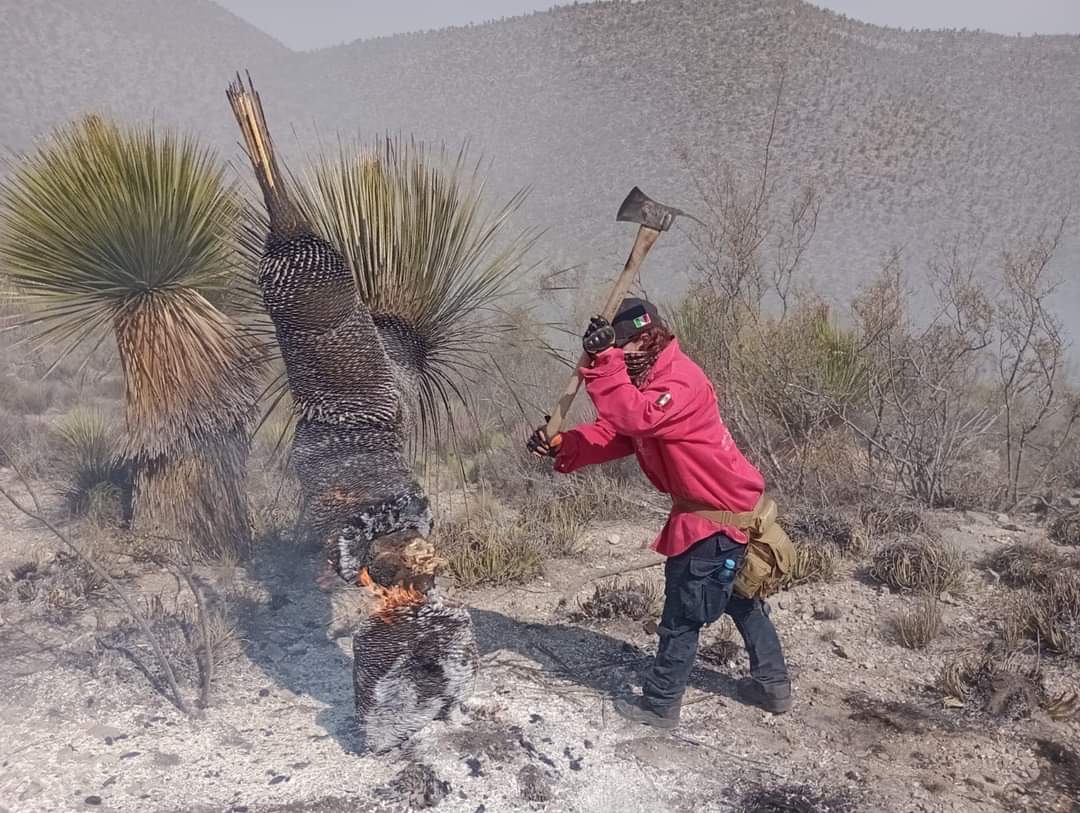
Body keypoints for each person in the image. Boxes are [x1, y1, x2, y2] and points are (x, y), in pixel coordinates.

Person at [527, 298, 792, 729]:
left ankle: (660, 704)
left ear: (649, 338)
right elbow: (617, 432)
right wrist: (565, 444)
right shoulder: (650, 378)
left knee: (683, 614)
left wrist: (604, 361)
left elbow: (638, 417)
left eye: (626, 347)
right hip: (719, 511)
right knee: (742, 600)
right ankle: (772, 686)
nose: (623, 357)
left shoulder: (681, 380)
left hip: (718, 518)